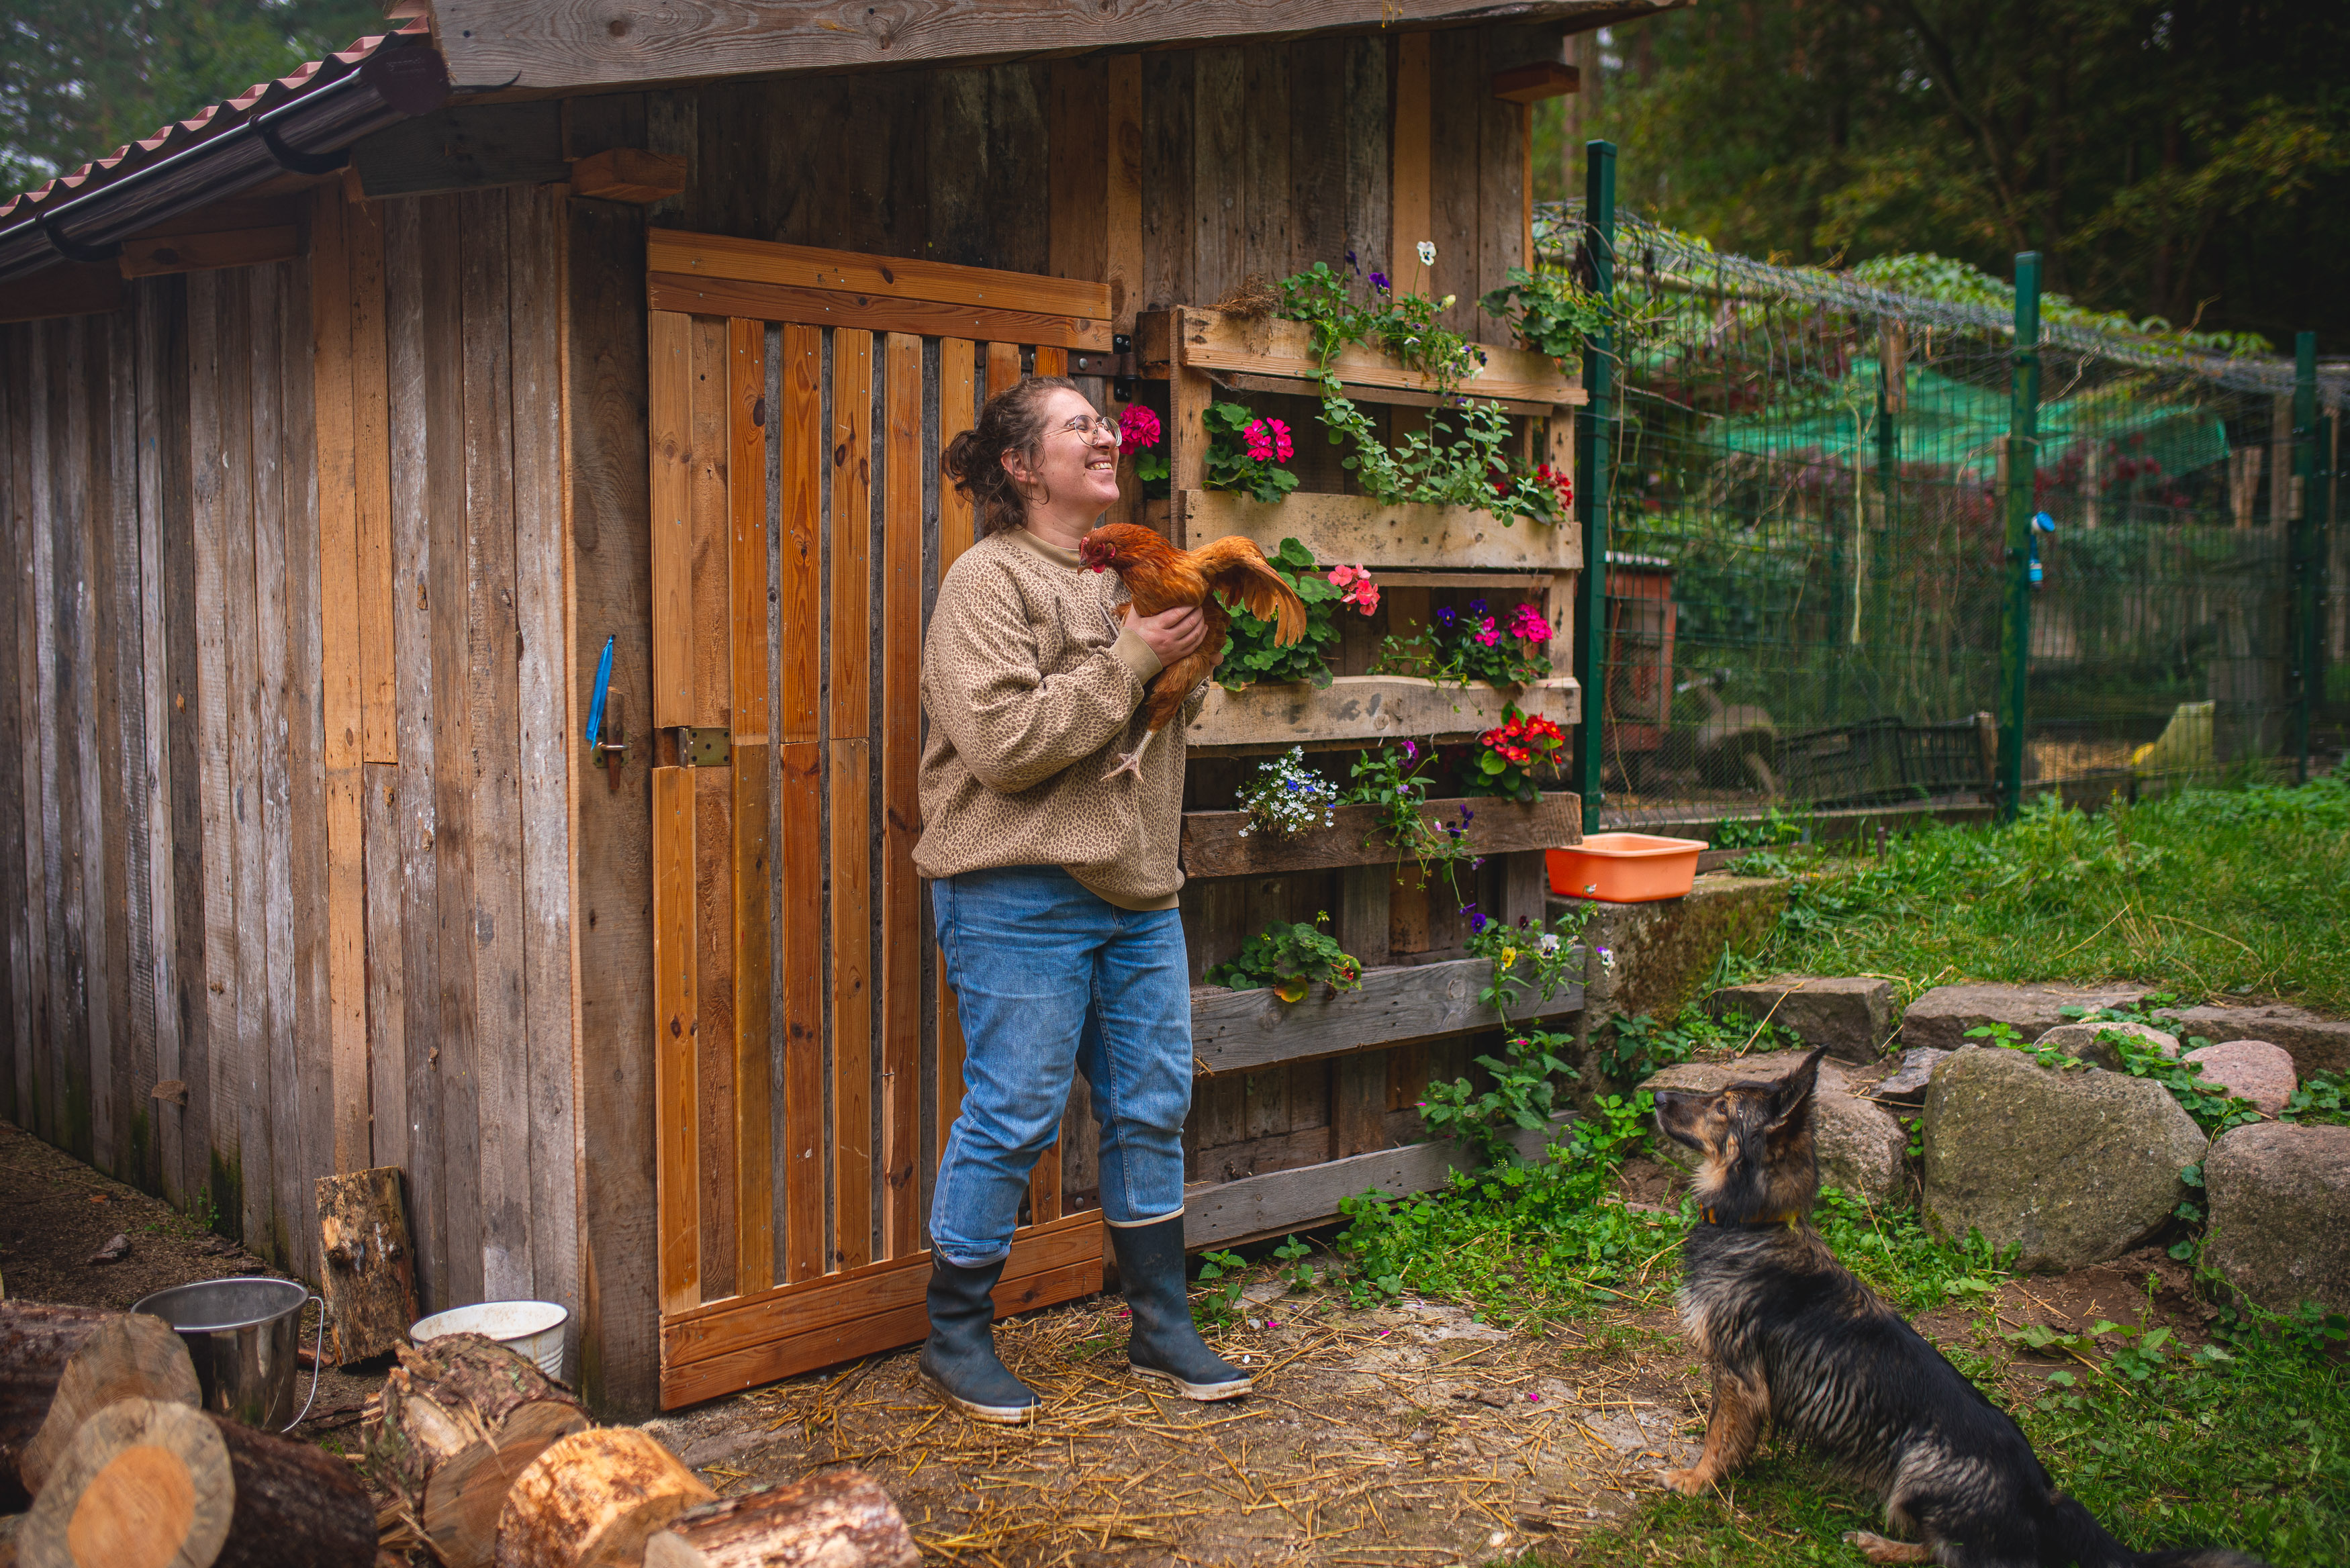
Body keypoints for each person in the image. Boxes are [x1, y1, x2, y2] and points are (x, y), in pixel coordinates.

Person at [914, 376, 1250, 1423]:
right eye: (1078, 426)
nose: (1105, 435)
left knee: (1152, 1109)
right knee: (1013, 1114)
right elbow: (1006, 747)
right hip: (1020, 890)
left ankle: (1162, 1325)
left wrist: (1179, 663)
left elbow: (1158, 720)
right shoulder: (988, 582)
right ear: (1020, 467)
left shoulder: (1139, 573)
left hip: (1140, 891)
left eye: (1104, 423)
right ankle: (955, 1333)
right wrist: (1138, 655)